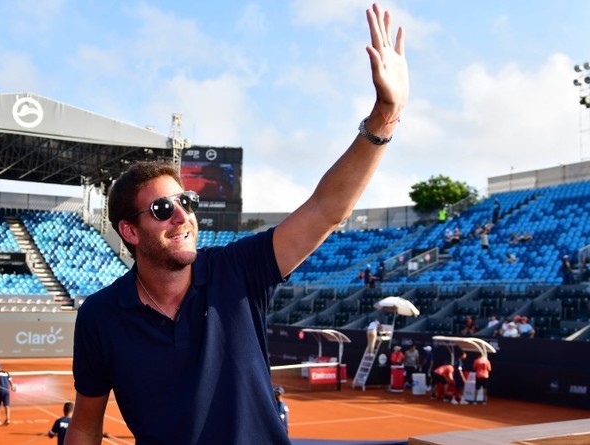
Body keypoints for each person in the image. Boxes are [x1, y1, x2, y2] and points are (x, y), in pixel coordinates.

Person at [66, 5, 409, 443]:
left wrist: (384, 114)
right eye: (160, 210)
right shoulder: (100, 316)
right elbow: (86, 423)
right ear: (129, 232)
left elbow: (327, 208)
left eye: (185, 202)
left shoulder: (238, 270)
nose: (182, 216)